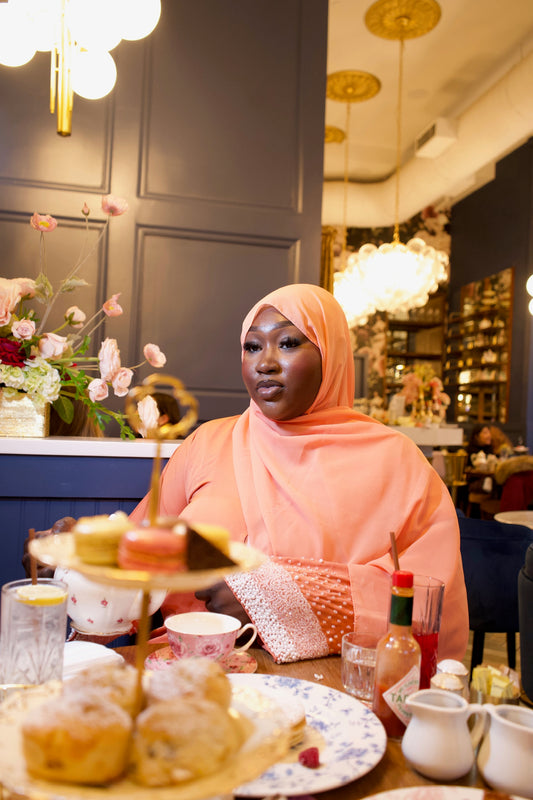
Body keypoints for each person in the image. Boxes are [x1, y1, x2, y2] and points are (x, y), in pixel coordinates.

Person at [130, 283, 469, 664]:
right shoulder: (207, 444)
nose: (265, 363)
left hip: (331, 690)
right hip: (191, 676)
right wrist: (71, 558)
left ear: (332, 354)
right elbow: (136, 549)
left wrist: (268, 599)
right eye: (252, 346)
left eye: (288, 343)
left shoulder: (398, 463)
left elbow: (428, 603)